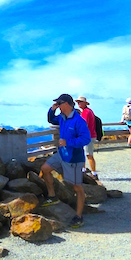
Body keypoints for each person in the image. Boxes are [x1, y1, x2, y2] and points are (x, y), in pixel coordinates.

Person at [41, 94, 91, 228]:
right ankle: (52, 196)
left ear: (67, 104)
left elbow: (86, 139)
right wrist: (52, 109)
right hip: (62, 154)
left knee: (77, 187)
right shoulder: (62, 118)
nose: (58, 106)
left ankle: (79, 216)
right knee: (45, 169)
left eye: (59, 103)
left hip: (74, 158)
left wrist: (68, 142)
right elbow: (51, 119)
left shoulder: (78, 121)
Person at [75, 96, 98, 179]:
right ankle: (84, 170)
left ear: (85, 103)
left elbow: (83, 125)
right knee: (84, 153)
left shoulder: (85, 112)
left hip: (88, 136)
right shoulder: (88, 111)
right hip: (90, 135)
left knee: (89, 155)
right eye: (78, 102)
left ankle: (94, 173)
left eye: (80, 102)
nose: (79, 103)